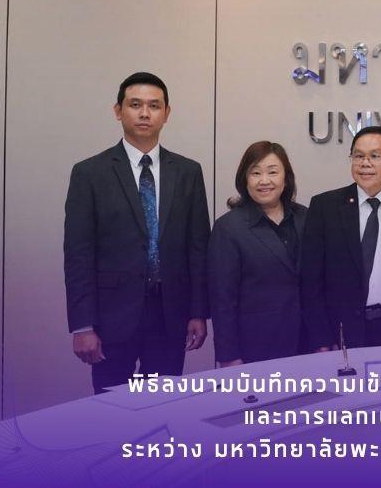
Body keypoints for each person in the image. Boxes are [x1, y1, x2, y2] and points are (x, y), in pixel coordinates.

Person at [64, 72, 210, 393]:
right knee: (111, 410)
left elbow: (198, 248)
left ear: (166, 114)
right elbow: (78, 255)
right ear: (118, 111)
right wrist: (83, 325)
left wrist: (198, 312)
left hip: (169, 315)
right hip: (111, 318)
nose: (145, 113)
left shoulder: (188, 172)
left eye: (154, 106)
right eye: (135, 105)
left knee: (163, 407)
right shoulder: (90, 173)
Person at [300, 126, 381, 349]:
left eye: (375, 156)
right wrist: (321, 339)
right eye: (358, 156)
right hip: (341, 330)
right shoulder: (325, 207)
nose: (365, 163)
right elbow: (311, 281)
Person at [207, 141, 307, 366]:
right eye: (255, 173)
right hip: (256, 347)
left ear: (286, 178)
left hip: (306, 343)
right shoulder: (229, 227)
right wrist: (229, 356)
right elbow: (222, 300)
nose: (264, 181)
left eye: (272, 172)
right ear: (245, 179)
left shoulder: (306, 218)